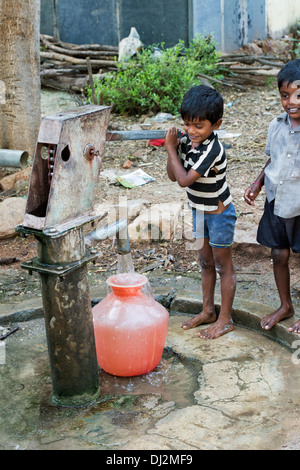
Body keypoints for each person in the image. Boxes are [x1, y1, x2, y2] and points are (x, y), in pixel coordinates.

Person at [165, 85, 237, 339]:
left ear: (215, 125)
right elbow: (173, 175)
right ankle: (208, 311)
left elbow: (185, 180)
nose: (191, 131)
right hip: (198, 211)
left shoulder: (212, 149)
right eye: (187, 125)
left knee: (222, 265)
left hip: (219, 214)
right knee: (205, 263)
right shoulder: (187, 142)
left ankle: (225, 319)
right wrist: (173, 148)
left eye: (199, 126)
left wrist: (172, 148)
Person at [244, 58, 300, 333]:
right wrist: (257, 182)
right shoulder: (275, 125)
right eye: (285, 95)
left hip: (299, 205)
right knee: (279, 254)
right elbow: (273, 161)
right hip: (276, 200)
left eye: (299, 95)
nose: (292, 102)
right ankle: (285, 305)